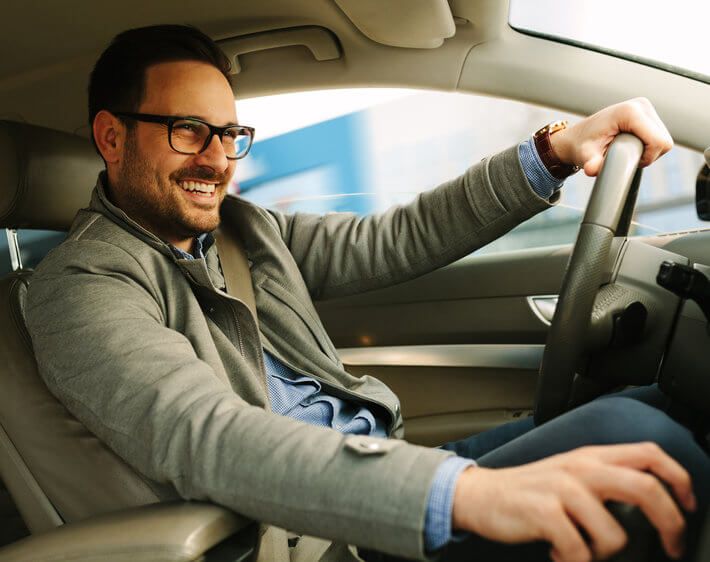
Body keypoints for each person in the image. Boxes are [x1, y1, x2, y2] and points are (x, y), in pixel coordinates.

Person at [24, 24, 709, 562]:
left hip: (393, 471)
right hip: (323, 536)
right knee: (638, 444)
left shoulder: (241, 229)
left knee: (655, 404)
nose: (217, 158)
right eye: (188, 131)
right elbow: (204, 433)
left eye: (231, 135)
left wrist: (555, 152)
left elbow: (397, 237)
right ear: (112, 138)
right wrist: (466, 494)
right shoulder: (80, 287)